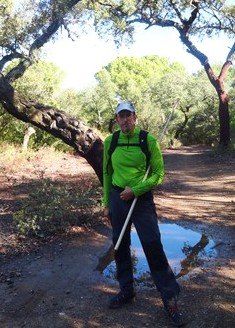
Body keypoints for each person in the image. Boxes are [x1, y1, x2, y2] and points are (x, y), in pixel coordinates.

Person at [103, 101, 187, 327]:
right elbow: (106, 173)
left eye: (128, 115)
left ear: (135, 117)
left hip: (141, 199)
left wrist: (136, 190)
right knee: (120, 245)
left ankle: (169, 297)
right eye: (121, 116)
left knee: (152, 244)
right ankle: (126, 290)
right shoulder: (111, 141)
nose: (125, 120)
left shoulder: (148, 141)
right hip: (118, 198)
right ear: (117, 119)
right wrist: (106, 203)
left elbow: (159, 175)